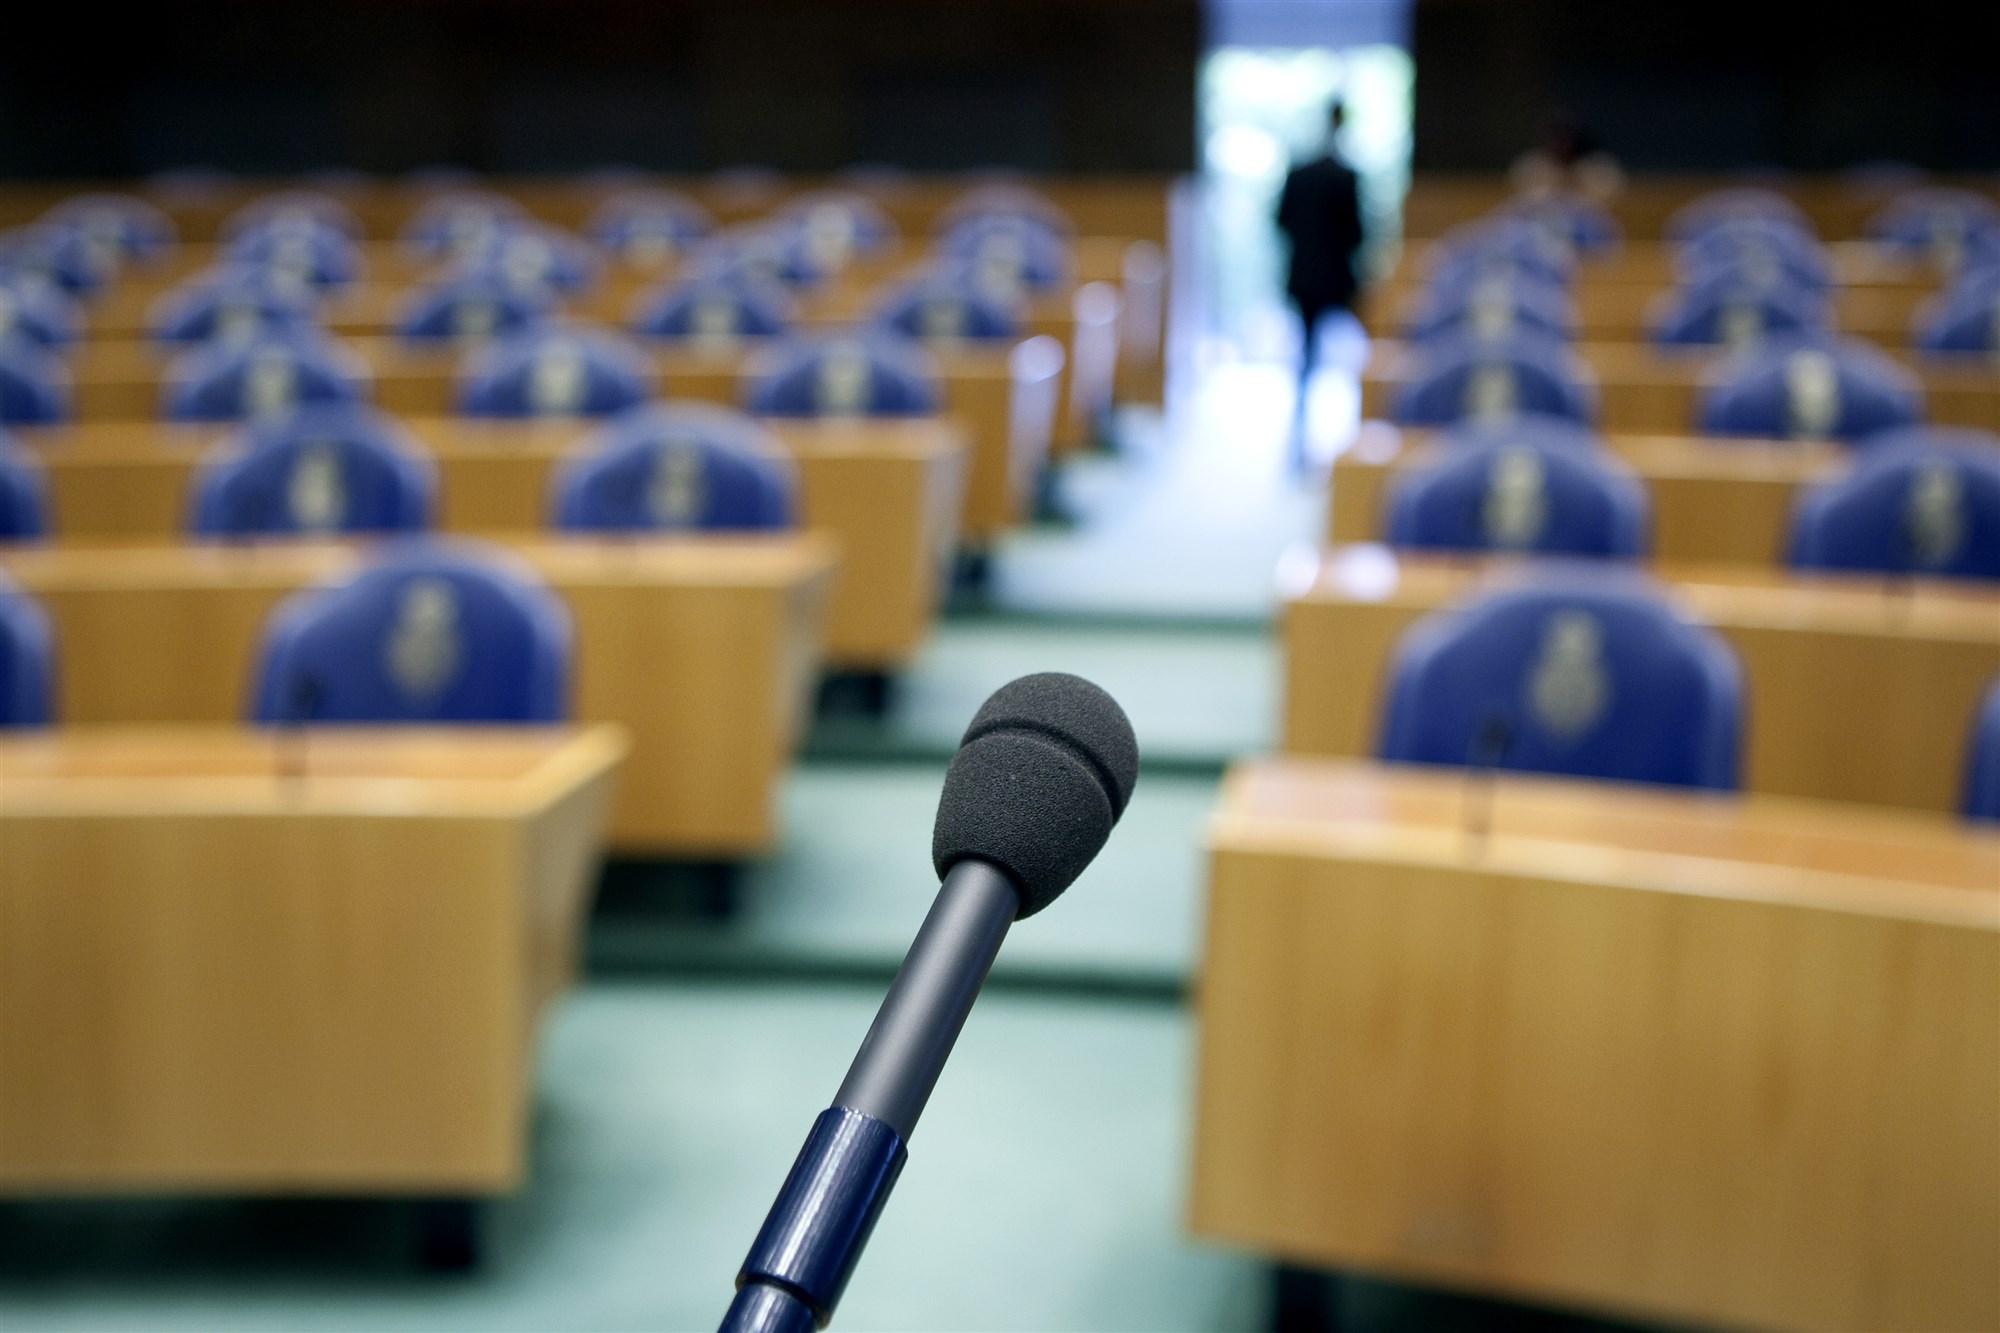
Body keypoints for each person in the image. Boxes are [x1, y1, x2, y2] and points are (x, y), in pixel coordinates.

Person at [1276, 100, 1366, 408]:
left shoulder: (1300, 173)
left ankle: (1303, 412)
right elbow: (1357, 234)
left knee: (1307, 350)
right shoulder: (1345, 176)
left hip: (1304, 274)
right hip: (1336, 277)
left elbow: (1281, 221)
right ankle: (1359, 413)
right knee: (1354, 347)